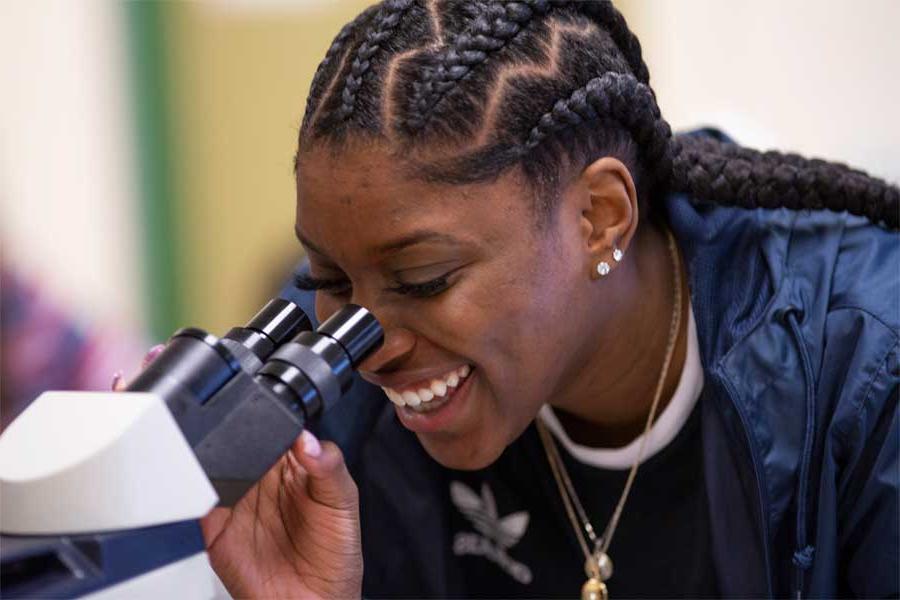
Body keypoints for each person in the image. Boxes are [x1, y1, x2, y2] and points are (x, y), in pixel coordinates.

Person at [191, 1, 899, 598]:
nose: (366, 345)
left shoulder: (864, 371)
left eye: (426, 279)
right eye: (331, 283)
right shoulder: (337, 409)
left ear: (599, 216)